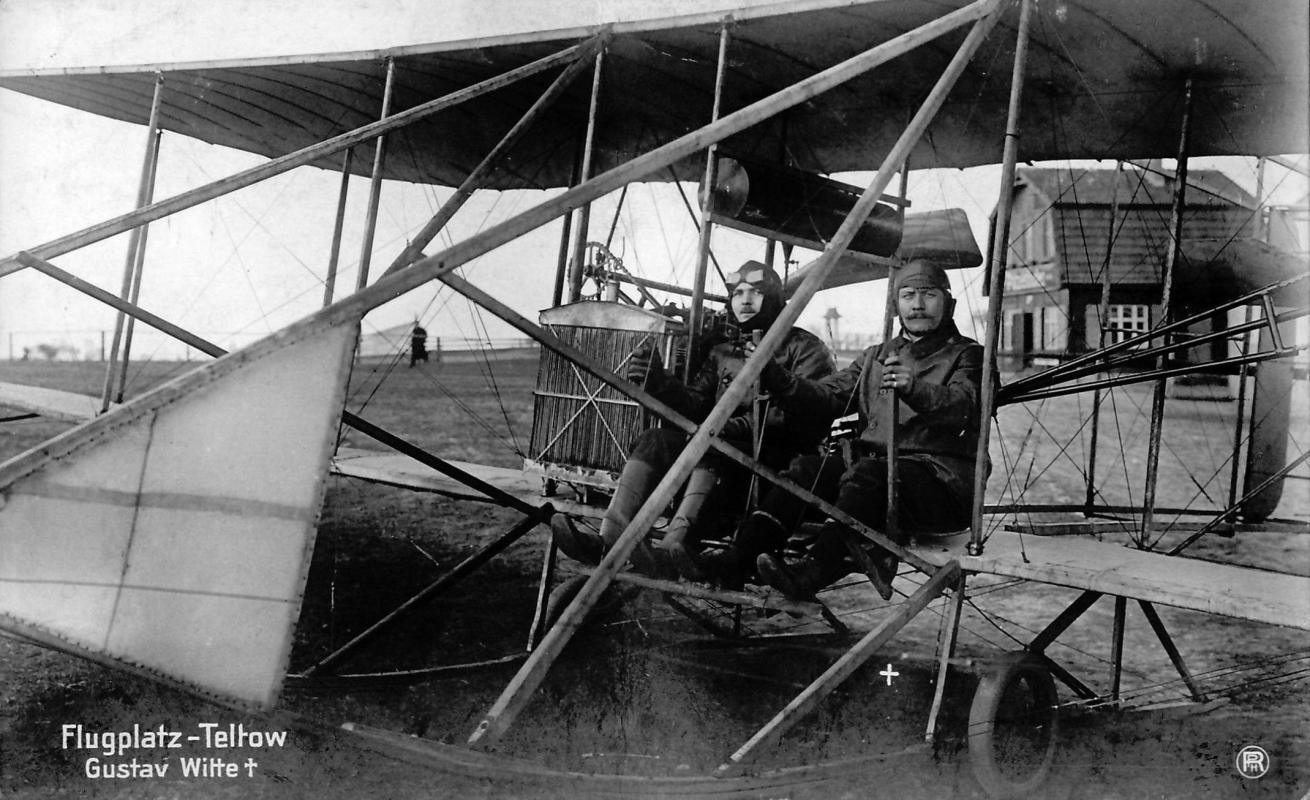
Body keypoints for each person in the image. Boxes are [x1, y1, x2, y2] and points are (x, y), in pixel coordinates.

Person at [705, 259, 984, 600]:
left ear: (949, 303)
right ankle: (737, 560)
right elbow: (827, 397)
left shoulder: (969, 356)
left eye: (929, 295)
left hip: (941, 484)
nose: (918, 304)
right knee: (807, 469)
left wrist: (915, 388)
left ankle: (813, 571)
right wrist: (775, 377)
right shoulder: (877, 356)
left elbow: (965, 408)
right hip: (876, 481)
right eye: (908, 295)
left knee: (867, 473)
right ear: (896, 305)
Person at [550, 260, 836, 578]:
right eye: (738, 293)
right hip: (720, 446)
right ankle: (609, 539)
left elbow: (806, 415)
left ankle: (674, 546)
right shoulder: (724, 352)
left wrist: (721, 429)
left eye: (755, 292)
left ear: (775, 298)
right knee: (655, 440)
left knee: (712, 446)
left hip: (775, 461)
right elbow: (695, 404)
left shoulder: (806, 348)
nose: (744, 300)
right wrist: (658, 381)